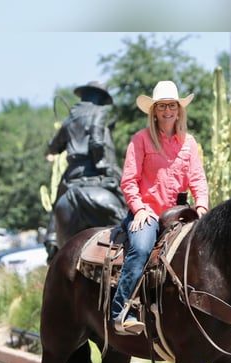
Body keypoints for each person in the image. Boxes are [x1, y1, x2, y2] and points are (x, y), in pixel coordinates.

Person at [111, 80, 209, 335]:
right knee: (142, 248)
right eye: (162, 106)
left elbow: (197, 179)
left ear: (179, 109)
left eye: (172, 105)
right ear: (154, 110)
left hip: (179, 215)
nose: (168, 110)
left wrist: (202, 207)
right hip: (149, 213)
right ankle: (122, 311)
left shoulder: (189, 143)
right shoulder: (140, 140)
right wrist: (140, 209)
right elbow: (129, 180)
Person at [43, 81, 126, 261]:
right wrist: (102, 164)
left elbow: (53, 147)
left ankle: (51, 241)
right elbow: (97, 141)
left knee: (58, 201)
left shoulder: (70, 119)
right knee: (126, 200)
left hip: (72, 176)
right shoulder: (100, 111)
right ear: (100, 98)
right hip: (96, 174)